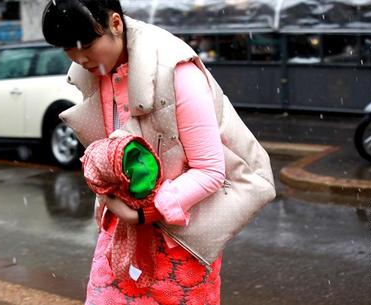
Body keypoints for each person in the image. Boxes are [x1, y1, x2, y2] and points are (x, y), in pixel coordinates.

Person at [42, 1, 275, 304]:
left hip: (179, 240)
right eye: (67, 49)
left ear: (116, 23)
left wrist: (145, 212)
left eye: (87, 44)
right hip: (120, 235)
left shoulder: (177, 71)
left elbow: (210, 170)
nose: (79, 58)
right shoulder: (97, 72)